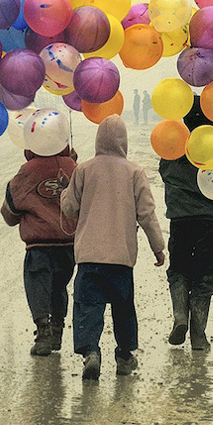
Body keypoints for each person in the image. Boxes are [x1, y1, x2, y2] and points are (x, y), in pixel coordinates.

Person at [61, 114, 165, 379]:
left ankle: (91, 353)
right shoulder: (135, 172)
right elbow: (147, 213)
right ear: (124, 141)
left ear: (98, 139)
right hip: (121, 257)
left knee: (88, 306)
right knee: (123, 307)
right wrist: (158, 247)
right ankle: (124, 355)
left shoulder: (83, 169)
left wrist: (66, 191)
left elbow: (69, 208)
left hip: (89, 256)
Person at [158, 97, 213, 351]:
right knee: (204, 275)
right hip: (209, 220)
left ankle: (180, 317)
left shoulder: (174, 145)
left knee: (179, 269)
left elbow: (165, 172)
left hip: (180, 219)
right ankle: (198, 335)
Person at [1, 145, 77, 356]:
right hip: (68, 243)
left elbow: (9, 213)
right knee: (59, 287)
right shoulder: (72, 166)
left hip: (39, 245)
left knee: (38, 285)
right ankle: (57, 330)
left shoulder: (28, 171)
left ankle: (43, 332)